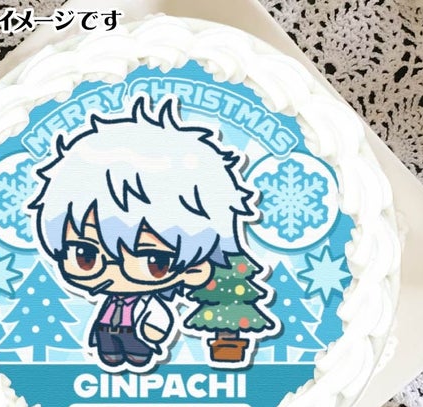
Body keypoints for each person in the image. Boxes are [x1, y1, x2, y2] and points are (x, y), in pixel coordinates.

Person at [30, 94, 255, 372]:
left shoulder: (149, 301)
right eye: (85, 255)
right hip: (106, 336)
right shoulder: (110, 299)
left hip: (136, 338)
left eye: (153, 261)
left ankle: (134, 354)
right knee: (108, 342)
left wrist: (153, 331)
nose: (114, 272)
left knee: (134, 347)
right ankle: (112, 354)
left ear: (195, 269)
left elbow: (157, 320)